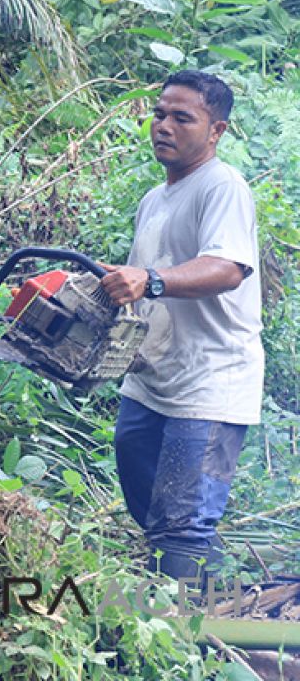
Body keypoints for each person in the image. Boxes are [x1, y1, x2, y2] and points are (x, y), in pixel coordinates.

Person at [98, 71, 262, 582]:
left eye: (182, 118)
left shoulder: (222, 187)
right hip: (153, 382)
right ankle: (191, 607)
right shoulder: (155, 198)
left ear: (216, 131)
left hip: (210, 385)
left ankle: (192, 642)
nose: (164, 126)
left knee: (182, 524)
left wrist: (148, 280)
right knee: (153, 513)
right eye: (159, 114)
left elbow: (228, 268)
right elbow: (141, 285)